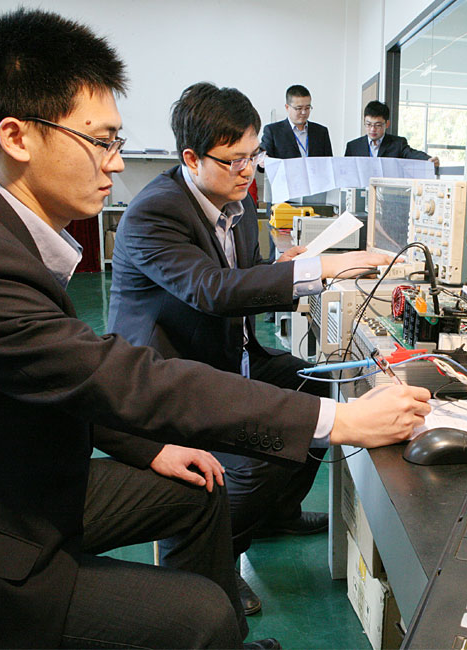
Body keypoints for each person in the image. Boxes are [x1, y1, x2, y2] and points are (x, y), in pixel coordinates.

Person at [0, 8, 431, 649]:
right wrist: (342, 420)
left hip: (37, 473)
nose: (115, 163)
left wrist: (149, 451)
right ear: (17, 137)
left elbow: (55, 375)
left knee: (200, 490)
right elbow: (116, 372)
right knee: (201, 615)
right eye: (101, 141)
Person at [98, 81, 384, 617]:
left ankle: (278, 513)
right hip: (170, 379)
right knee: (254, 460)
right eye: (234, 160)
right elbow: (211, 290)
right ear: (191, 158)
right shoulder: (155, 213)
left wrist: (279, 267)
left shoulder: (238, 200)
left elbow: (241, 273)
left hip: (230, 354)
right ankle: (220, 553)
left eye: (255, 156)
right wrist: (319, 268)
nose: (248, 170)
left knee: (318, 387)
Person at [344, 100, 439, 167]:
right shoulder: (353, 147)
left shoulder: (398, 144)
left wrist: (428, 160)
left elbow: (412, 154)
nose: (372, 129)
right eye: (368, 124)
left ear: (387, 124)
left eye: (378, 125)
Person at [259, 85, 333, 160]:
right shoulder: (273, 131)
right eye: (299, 108)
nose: (304, 112)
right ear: (287, 107)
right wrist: (262, 159)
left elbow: (329, 162)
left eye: (307, 108)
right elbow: (262, 157)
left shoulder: (321, 132)